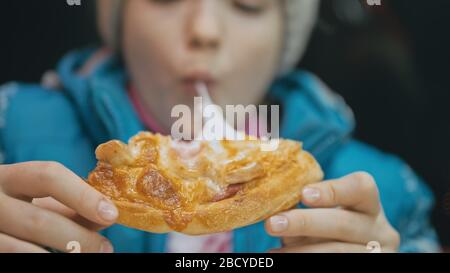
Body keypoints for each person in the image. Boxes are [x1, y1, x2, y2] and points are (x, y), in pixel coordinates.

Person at [0, 0, 440, 253]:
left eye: (247, 2)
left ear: (284, 39)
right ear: (121, 20)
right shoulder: (11, 127)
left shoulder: (386, 191)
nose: (205, 30)